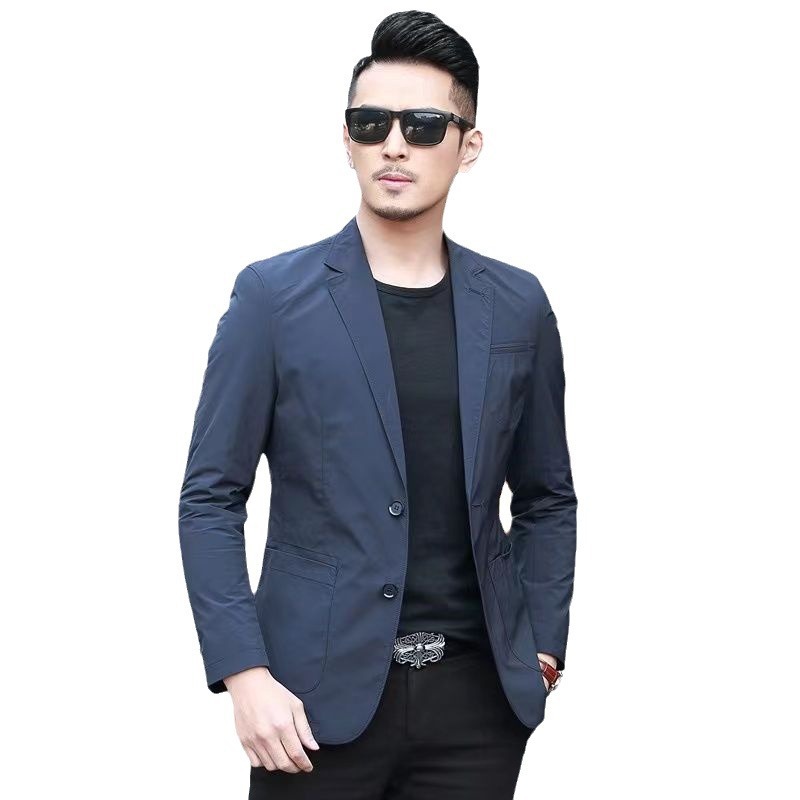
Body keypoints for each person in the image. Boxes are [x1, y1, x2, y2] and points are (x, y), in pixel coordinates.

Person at [178, 10, 577, 799]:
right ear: (348, 139)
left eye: (423, 126)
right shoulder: (272, 299)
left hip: (477, 706)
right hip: (310, 705)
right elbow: (210, 497)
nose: (395, 144)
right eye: (372, 123)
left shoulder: (518, 305)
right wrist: (244, 671)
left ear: (469, 145)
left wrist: (541, 645)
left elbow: (546, 496)